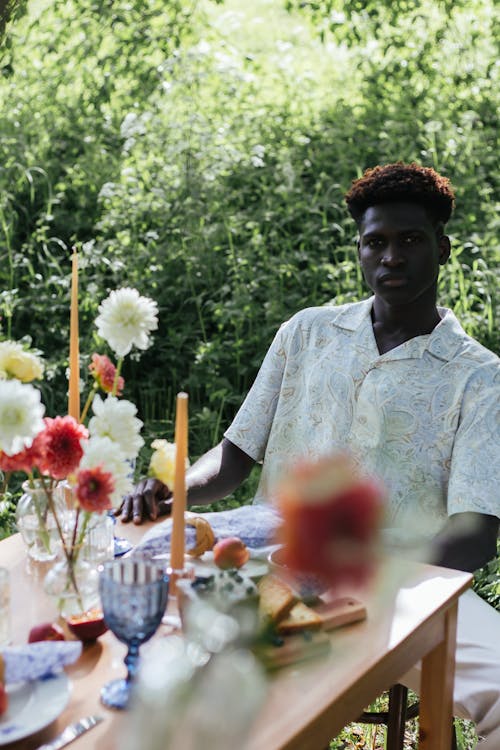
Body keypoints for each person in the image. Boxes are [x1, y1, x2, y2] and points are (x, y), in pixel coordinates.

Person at [120, 162, 500, 746]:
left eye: (410, 241)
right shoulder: (306, 333)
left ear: (443, 250)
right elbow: (235, 456)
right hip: (262, 559)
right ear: (358, 250)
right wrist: (173, 495)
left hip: (400, 583)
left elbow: (473, 539)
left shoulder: (480, 377)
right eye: (376, 242)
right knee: (125, 569)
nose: (391, 257)